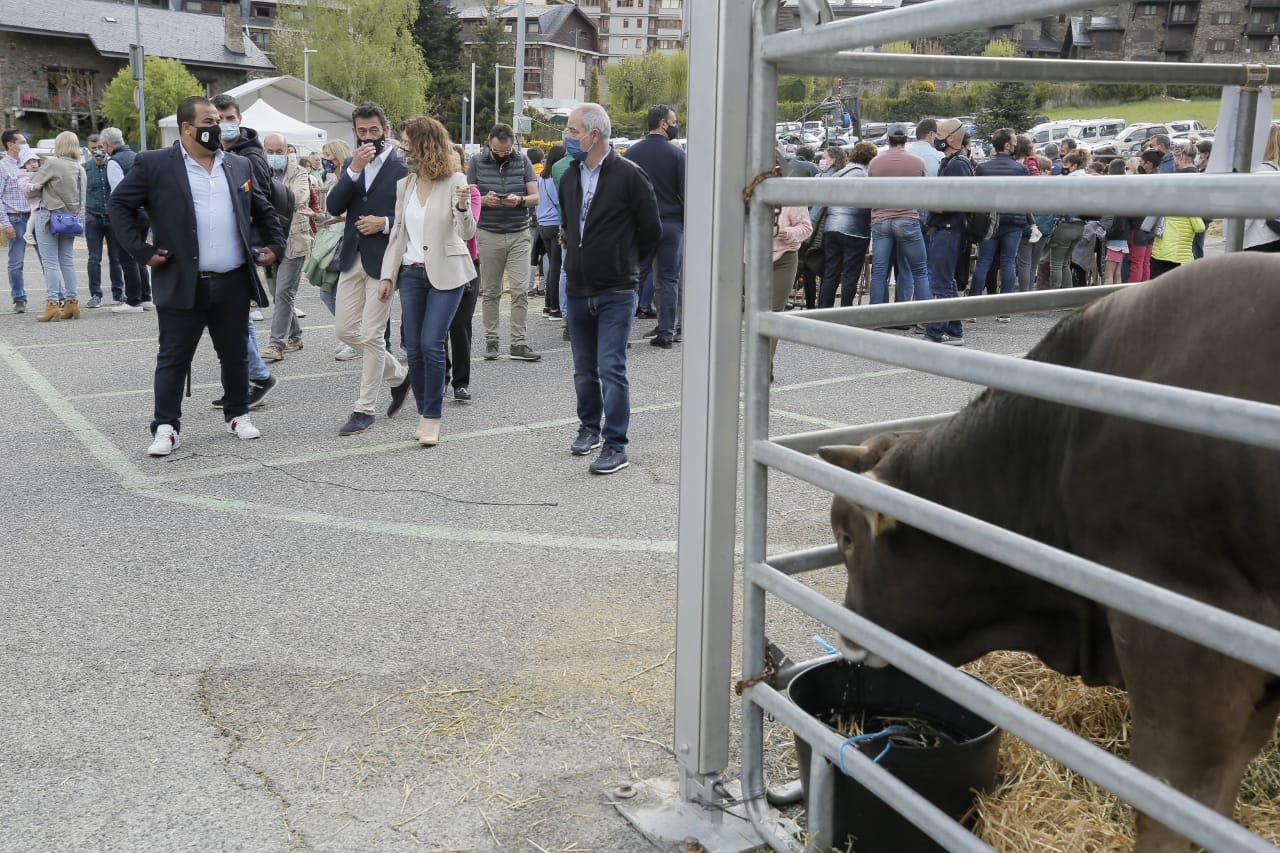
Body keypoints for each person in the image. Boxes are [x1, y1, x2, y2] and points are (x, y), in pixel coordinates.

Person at [109, 95, 284, 456]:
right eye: (209, 122)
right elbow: (119, 205)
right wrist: (141, 251)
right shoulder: (155, 164)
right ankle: (166, 427)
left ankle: (238, 414)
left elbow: (263, 208)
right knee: (174, 357)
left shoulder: (238, 165)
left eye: (219, 121)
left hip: (232, 280)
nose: (217, 128)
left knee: (234, 354)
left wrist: (275, 245)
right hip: (181, 281)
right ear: (187, 128)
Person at [558, 103, 661, 475]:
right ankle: (590, 428)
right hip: (579, 288)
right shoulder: (569, 176)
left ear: (593, 134)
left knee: (610, 368)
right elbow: (571, 226)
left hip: (617, 290)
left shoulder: (629, 175)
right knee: (583, 369)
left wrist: (630, 268)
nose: (567, 137)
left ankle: (616, 444)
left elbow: (652, 231)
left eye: (572, 130)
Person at [378, 116, 477, 447]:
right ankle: (423, 412)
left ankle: (432, 417)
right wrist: (387, 276)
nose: (403, 147)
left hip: (447, 272)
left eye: (408, 141)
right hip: (411, 273)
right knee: (415, 349)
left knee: (432, 343)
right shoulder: (404, 185)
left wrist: (463, 207)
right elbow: (397, 234)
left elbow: (466, 232)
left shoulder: (455, 180)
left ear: (425, 143)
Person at [326, 101, 412, 437]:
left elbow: (411, 217)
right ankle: (399, 376)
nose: (368, 138)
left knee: (372, 334)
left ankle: (364, 410)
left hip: (385, 260)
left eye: (374, 131)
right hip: (352, 257)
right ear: (354, 133)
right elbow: (334, 206)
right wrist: (353, 172)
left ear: (385, 131)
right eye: (362, 132)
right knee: (346, 330)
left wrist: (385, 223)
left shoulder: (402, 167)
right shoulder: (351, 164)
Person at [466, 123, 541, 362]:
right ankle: (492, 340)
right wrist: (485, 201)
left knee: (520, 290)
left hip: (519, 233)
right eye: (498, 151)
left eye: (506, 151)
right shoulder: (476, 162)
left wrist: (519, 200)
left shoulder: (523, 161)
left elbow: (535, 196)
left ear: (513, 145)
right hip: (488, 232)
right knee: (490, 291)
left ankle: (518, 342)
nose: (502, 155)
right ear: (489, 142)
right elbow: (467, 195)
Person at [625, 103, 686, 348]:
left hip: (640, 226)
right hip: (671, 224)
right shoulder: (677, 155)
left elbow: (623, 194)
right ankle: (665, 332)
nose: (675, 125)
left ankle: (622, 331)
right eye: (673, 121)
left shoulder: (630, 154)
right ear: (663, 123)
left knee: (633, 278)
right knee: (668, 279)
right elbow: (686, 194)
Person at [261, 132, 315, 362]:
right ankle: (295, 336)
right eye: (270, 152)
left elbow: (298, 197)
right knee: (277, 293)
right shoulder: (260, 171)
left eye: (279, 151)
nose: (274, 156)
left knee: (284, 292)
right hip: (270, 242)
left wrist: (265, 201)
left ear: (287, 151)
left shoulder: (299, 173)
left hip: (294, 241)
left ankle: (276, 345)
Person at [969, 128, 1031, 321]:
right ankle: (1004, 311)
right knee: (1008, 262)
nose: (1015, 144)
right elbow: (1027, 196)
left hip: (990, 221)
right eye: (1013, 141)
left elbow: (977, 195)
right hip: (1014, 221)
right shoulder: (1021, 169)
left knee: (984, 261)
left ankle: (970, 308)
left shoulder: (983, 168)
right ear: (1006, 145)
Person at [866, 122, 930, 305]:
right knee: (919, 270)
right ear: (907, 139)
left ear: (887, 139)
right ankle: (921, 318)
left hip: (881, 221)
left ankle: (877, 317)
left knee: (879, 272)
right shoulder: (917, 162)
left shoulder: (875, 163)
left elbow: (868, 192)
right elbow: (924, 192)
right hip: (907, 219)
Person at [28, 131, 87, 322]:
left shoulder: (52, 163)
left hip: (49, 216)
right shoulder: (80, 168)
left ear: (59, 145)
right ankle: (72, 303)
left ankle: (52, 304)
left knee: (50, 262)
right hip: (71, 219)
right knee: (67, 262)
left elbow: (33, 187)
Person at [922, 117, 971, 345]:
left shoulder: (957, 164)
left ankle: (936, 332)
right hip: (946, 228)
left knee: (941, 282)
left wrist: (930, 204)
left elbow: (957, 202)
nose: (935, 137)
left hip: (948, 228)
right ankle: (954, 330)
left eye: (939, 133)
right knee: (945, 280)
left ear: (951, 138)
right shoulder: (952, 161)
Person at [100, 127, 153, 314]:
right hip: (144, 212)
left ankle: (133, 300)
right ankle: (146, 297)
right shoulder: (137, 156)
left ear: (107, 145)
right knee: (140, 253)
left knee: (126, 255)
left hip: (128, 214)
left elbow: (118, 192)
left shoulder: (114, 162)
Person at [817, 142, 874, 309]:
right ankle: (846, 310)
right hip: (855, 231)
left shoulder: (839, 174)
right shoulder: (866, 176)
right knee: (850, 274)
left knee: (831, 272)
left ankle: (824, 309)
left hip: (831, 228)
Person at [445, 143, 482, 402]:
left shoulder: (472, 193)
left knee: (460, 325)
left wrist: (460, 203)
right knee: (436, 328)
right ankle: (439, 377)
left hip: (467, 264)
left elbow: (468, 228)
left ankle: (460, 382)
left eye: (455, 161)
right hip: (436, 263)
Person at [769, 203, 812, 379]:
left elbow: (806, 227)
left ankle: (764, 365)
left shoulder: (789, 195)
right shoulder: (749, 188)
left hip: (784, 257)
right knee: (753, 311)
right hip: (752, 255)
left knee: (773, 312)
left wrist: (788, 232)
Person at [82, 134, 124, 307]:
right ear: (89, 149)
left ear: (105, 146)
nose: (98, 151)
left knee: (116, 258)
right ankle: (95, 294)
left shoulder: (113, 165)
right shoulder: (84, 169)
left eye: (100, 147)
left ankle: (118, 293)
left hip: (112, 217)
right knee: (94, 258)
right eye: (94, 148)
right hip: (93, 218)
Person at [1, 129, 31, 312]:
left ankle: (56, 296)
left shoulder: (29, 163)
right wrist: (6, 224)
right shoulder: (2, 166)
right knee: (16, 261)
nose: (25, 144)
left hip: (35, 216)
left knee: (47, 258)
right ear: (10, 145)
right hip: (16, 218)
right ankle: (19, 298)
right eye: (22, 142)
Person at [534, 144, 565, 319]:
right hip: (555, 224)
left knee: (552, 265)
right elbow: (558, 202)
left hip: (542, 225)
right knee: (557, 267)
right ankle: (555, 307)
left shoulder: (541, 178)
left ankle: (548, 306)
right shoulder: (555, 178)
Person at [1243, 124, 1280, 253]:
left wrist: (1233, 237)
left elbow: (1247, 213)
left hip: (1257, 239)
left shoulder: (1258, 173)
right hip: (1275, 234)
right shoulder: (1276, 171)